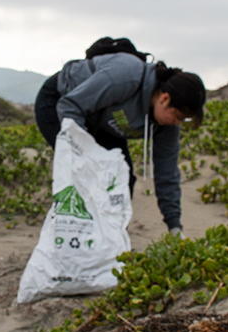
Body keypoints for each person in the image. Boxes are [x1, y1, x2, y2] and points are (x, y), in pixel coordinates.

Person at [34, 41, 206, 239]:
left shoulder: (166, 126)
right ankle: (75, 241)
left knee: (123, 180)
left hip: (102, 121)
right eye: (177, 117)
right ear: (165, 99)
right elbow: (70, 105)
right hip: (59, 102)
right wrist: (87, 156)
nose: (177, 124)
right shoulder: (127, 75)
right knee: (87, 174)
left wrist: (175, 226)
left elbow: (167, 175)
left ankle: (107, 240)